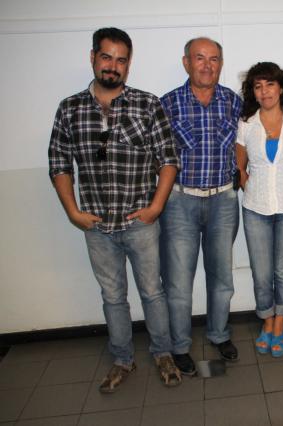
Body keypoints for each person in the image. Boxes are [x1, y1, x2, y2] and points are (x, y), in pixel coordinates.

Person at [48, 27, 181, 392]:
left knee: (153, 292)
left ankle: (163, 353)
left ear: (128, 64)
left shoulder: (147, 104)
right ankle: (123, 359)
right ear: (93, 57)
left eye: (121, 60)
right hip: (96, 225)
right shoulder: (70, 109)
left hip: (140, 222)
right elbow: (59, 164)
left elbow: (169, 159)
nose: (113, 65)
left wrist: (155, 207)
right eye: (107, 57)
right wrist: (73, 212)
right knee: (112, 297)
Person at [159, 37, 242, 374]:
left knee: (222, 277)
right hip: (180, 202)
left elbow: (244, 145)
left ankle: (219, 334)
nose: (207, 65)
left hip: (223, 201)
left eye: (214, 59)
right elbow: (156, 156)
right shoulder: (167, 104)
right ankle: (180, 345)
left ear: (221, 64)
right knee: (179, 282)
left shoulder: (234, 102)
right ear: (186, 62)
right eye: (199, 58)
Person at [236, 62, 283, 357]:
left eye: (270, 84)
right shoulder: (246, 123)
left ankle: (280, 320)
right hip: (255, 210)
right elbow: (240, 167)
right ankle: (266, 319)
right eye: (258, 86)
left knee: (282, 271)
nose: (264, 91)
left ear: (281, 87)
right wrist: (250, 187)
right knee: (261, 272)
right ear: (253, 92)